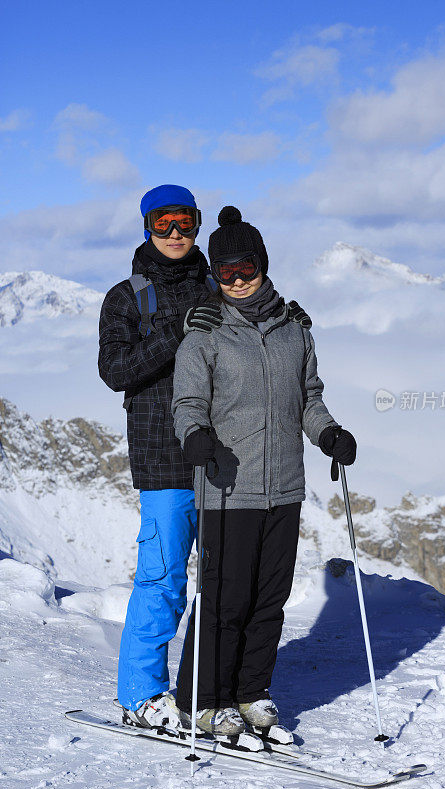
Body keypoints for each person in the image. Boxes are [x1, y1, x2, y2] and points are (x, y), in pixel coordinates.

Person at [171, 206, 357, 736]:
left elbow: (309, 399)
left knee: (268, 599)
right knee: (224, 600)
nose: (235, 280)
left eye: (244, 267)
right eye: (224, 271)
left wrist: (328, 433)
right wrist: (196, 437)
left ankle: (253, 692)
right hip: (227, 485)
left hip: (284, 488)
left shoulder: (294, 331)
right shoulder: (203, 336)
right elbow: (187, 405)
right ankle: (204, 700)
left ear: (262, 264)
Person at [98, 184, 223, 731]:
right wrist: (175, 332)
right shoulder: (127, 297)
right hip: (163, 458)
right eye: (163, 223)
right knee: (165, 578)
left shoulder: (220, 286)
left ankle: (207, 687)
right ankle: (142, 694)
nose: (175, 234)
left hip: (223, 454)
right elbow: (115, 372)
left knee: (224, 582)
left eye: (185, 222)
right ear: (146, 226)